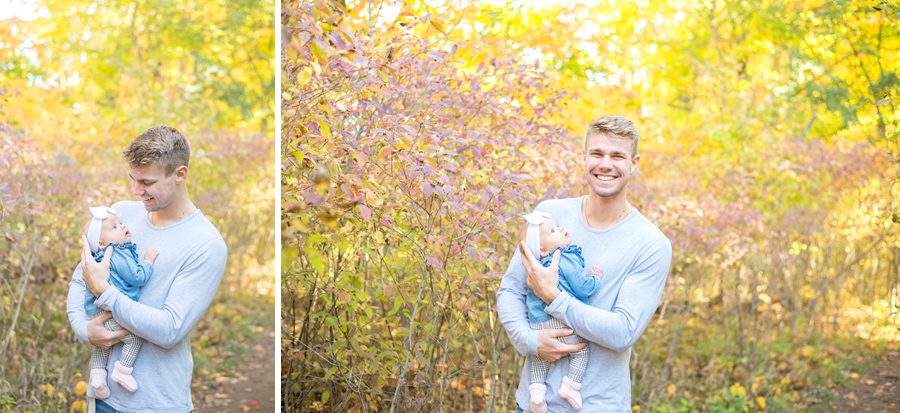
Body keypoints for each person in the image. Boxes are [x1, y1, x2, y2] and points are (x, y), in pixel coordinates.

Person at [497, 116, 672, 412]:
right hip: (531, 406)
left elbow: (623, 332)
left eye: (617, 156)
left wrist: (554, 297)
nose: (606, 164)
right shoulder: (549, 214)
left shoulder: (651, 244)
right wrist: (530, 341)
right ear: (584, 157)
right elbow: (510, 290)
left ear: (634, 163)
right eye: (597, 154)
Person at [66, 126, 228, 413]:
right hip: (103, 397)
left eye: (147, 182)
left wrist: (105, 292)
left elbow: (169, 330)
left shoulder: (206, 244)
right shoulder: (120, 215)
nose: (136, 190)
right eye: (133, 179)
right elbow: (81, 280)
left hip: (157, 403)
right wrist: (84, 329)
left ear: (180, 174)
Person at [519, 211, 603, 413]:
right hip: (561, 323)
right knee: (581, 351)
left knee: (539, 356)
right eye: (553, 230)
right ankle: (570, 387)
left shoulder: (534, 268)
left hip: (538, 324)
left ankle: (537, 393)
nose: (561, 229)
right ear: (542, 248)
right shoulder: (566, 258)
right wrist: (595, 278)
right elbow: (582, 287)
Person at [82, 206, 159, 398]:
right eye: (115, 227)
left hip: (95, 312)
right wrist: (148, 261)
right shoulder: (117, 253)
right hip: (112, 310)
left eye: (120, 223)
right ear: (101, 243)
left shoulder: (95, 259)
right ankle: (123, 370)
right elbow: (136, 277)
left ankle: (98, 378)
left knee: (102, 343)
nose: (122, 226)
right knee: (133, 339)